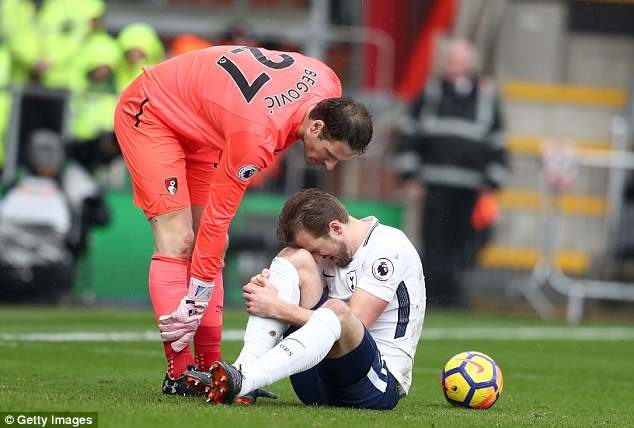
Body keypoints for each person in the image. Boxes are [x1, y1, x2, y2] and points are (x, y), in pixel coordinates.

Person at [113, 45, 373, 395]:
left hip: (204, 122)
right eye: (328, 155)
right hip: (154, 113)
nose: (328, 166)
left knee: (213, 248)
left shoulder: (328, 83)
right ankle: (178, 375)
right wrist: (195, 298)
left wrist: (200, 288)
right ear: (316, 125)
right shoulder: (256, 136)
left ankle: (212, 369)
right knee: (178, 241)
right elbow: (218, 219)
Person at [184, 189, 426, 409]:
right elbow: (295, 277)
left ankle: (245, 379)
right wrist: (268, 285)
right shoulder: (325, 250)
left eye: (317, 249)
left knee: (338, 311)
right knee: (293, 258)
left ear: (336, 228)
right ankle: (244, 373)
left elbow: (356, 321)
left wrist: (276, 306)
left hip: (373, 386)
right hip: (316, 380)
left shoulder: (389, 246)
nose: (318, 258)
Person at [393, 38, 508, 308]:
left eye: (460, 61)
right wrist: (410, 176)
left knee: (464, 242)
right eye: (451, 60)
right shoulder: (430, 93)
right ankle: (433, 294)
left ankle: (454, 293)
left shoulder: (486, 97)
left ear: (471, 64)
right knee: (434, 240)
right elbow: (409, 134)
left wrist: (492, 182)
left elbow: (498, 141)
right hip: (434, 184)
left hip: (470, 188)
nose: (454, 66)